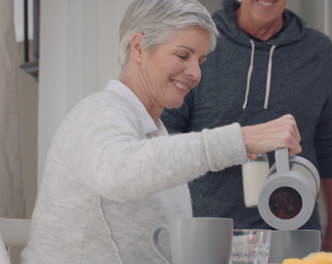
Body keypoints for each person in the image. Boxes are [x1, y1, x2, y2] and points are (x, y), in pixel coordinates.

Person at [21, 0, 302, 263]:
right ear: (139, 47)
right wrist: (240, 139)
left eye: (201, 61)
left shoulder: (155, 133)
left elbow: (160, 247)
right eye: (183, 55)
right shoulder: (98, 112)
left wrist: (238, 250)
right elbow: (119, 171)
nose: (195, 73)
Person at [161, 0, 332, 253]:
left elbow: (331, 146)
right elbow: (164, 139)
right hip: (210, 239)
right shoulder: (201, 45)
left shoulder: (319, 52)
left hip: (296, 239)